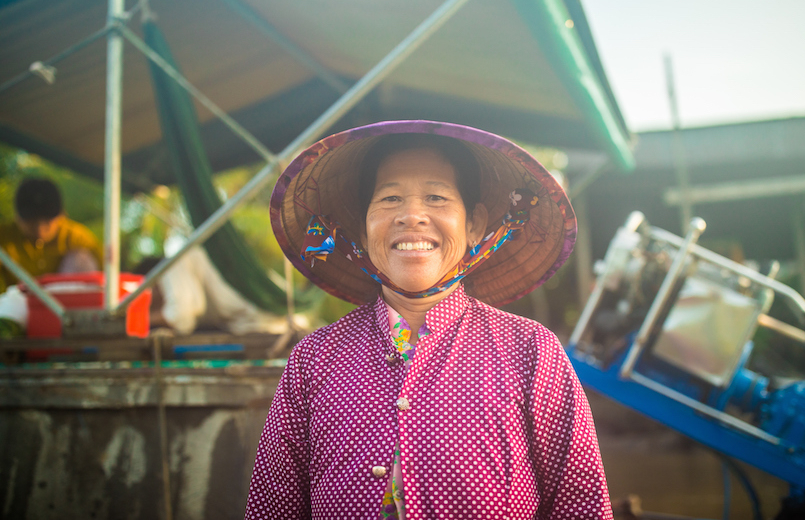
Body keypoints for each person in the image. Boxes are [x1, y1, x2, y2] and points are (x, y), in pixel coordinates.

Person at [246, 121, 611, 519]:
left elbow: (582, 505)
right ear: (363, 230)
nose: (412, 216)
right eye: (389, 199)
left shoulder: (530, 351)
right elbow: (271, 507)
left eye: (436, 197)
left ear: (474, 225)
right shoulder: (314, 361)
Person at [135, 246, 289, 336]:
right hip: (275, 316)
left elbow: (181, 315)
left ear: (151, 282)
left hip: (270, 312)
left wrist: (139, 320)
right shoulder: (192, 258)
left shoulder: (170, 266)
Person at [0, 177, 101, 294]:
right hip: (19, 306)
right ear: (16, 217)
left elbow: (106, 280)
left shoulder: (78, 239)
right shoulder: (4, 237)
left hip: (64, 306)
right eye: (31, 222)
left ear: (62, 215)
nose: (39, 230)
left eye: (47, 222)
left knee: (82, 258)